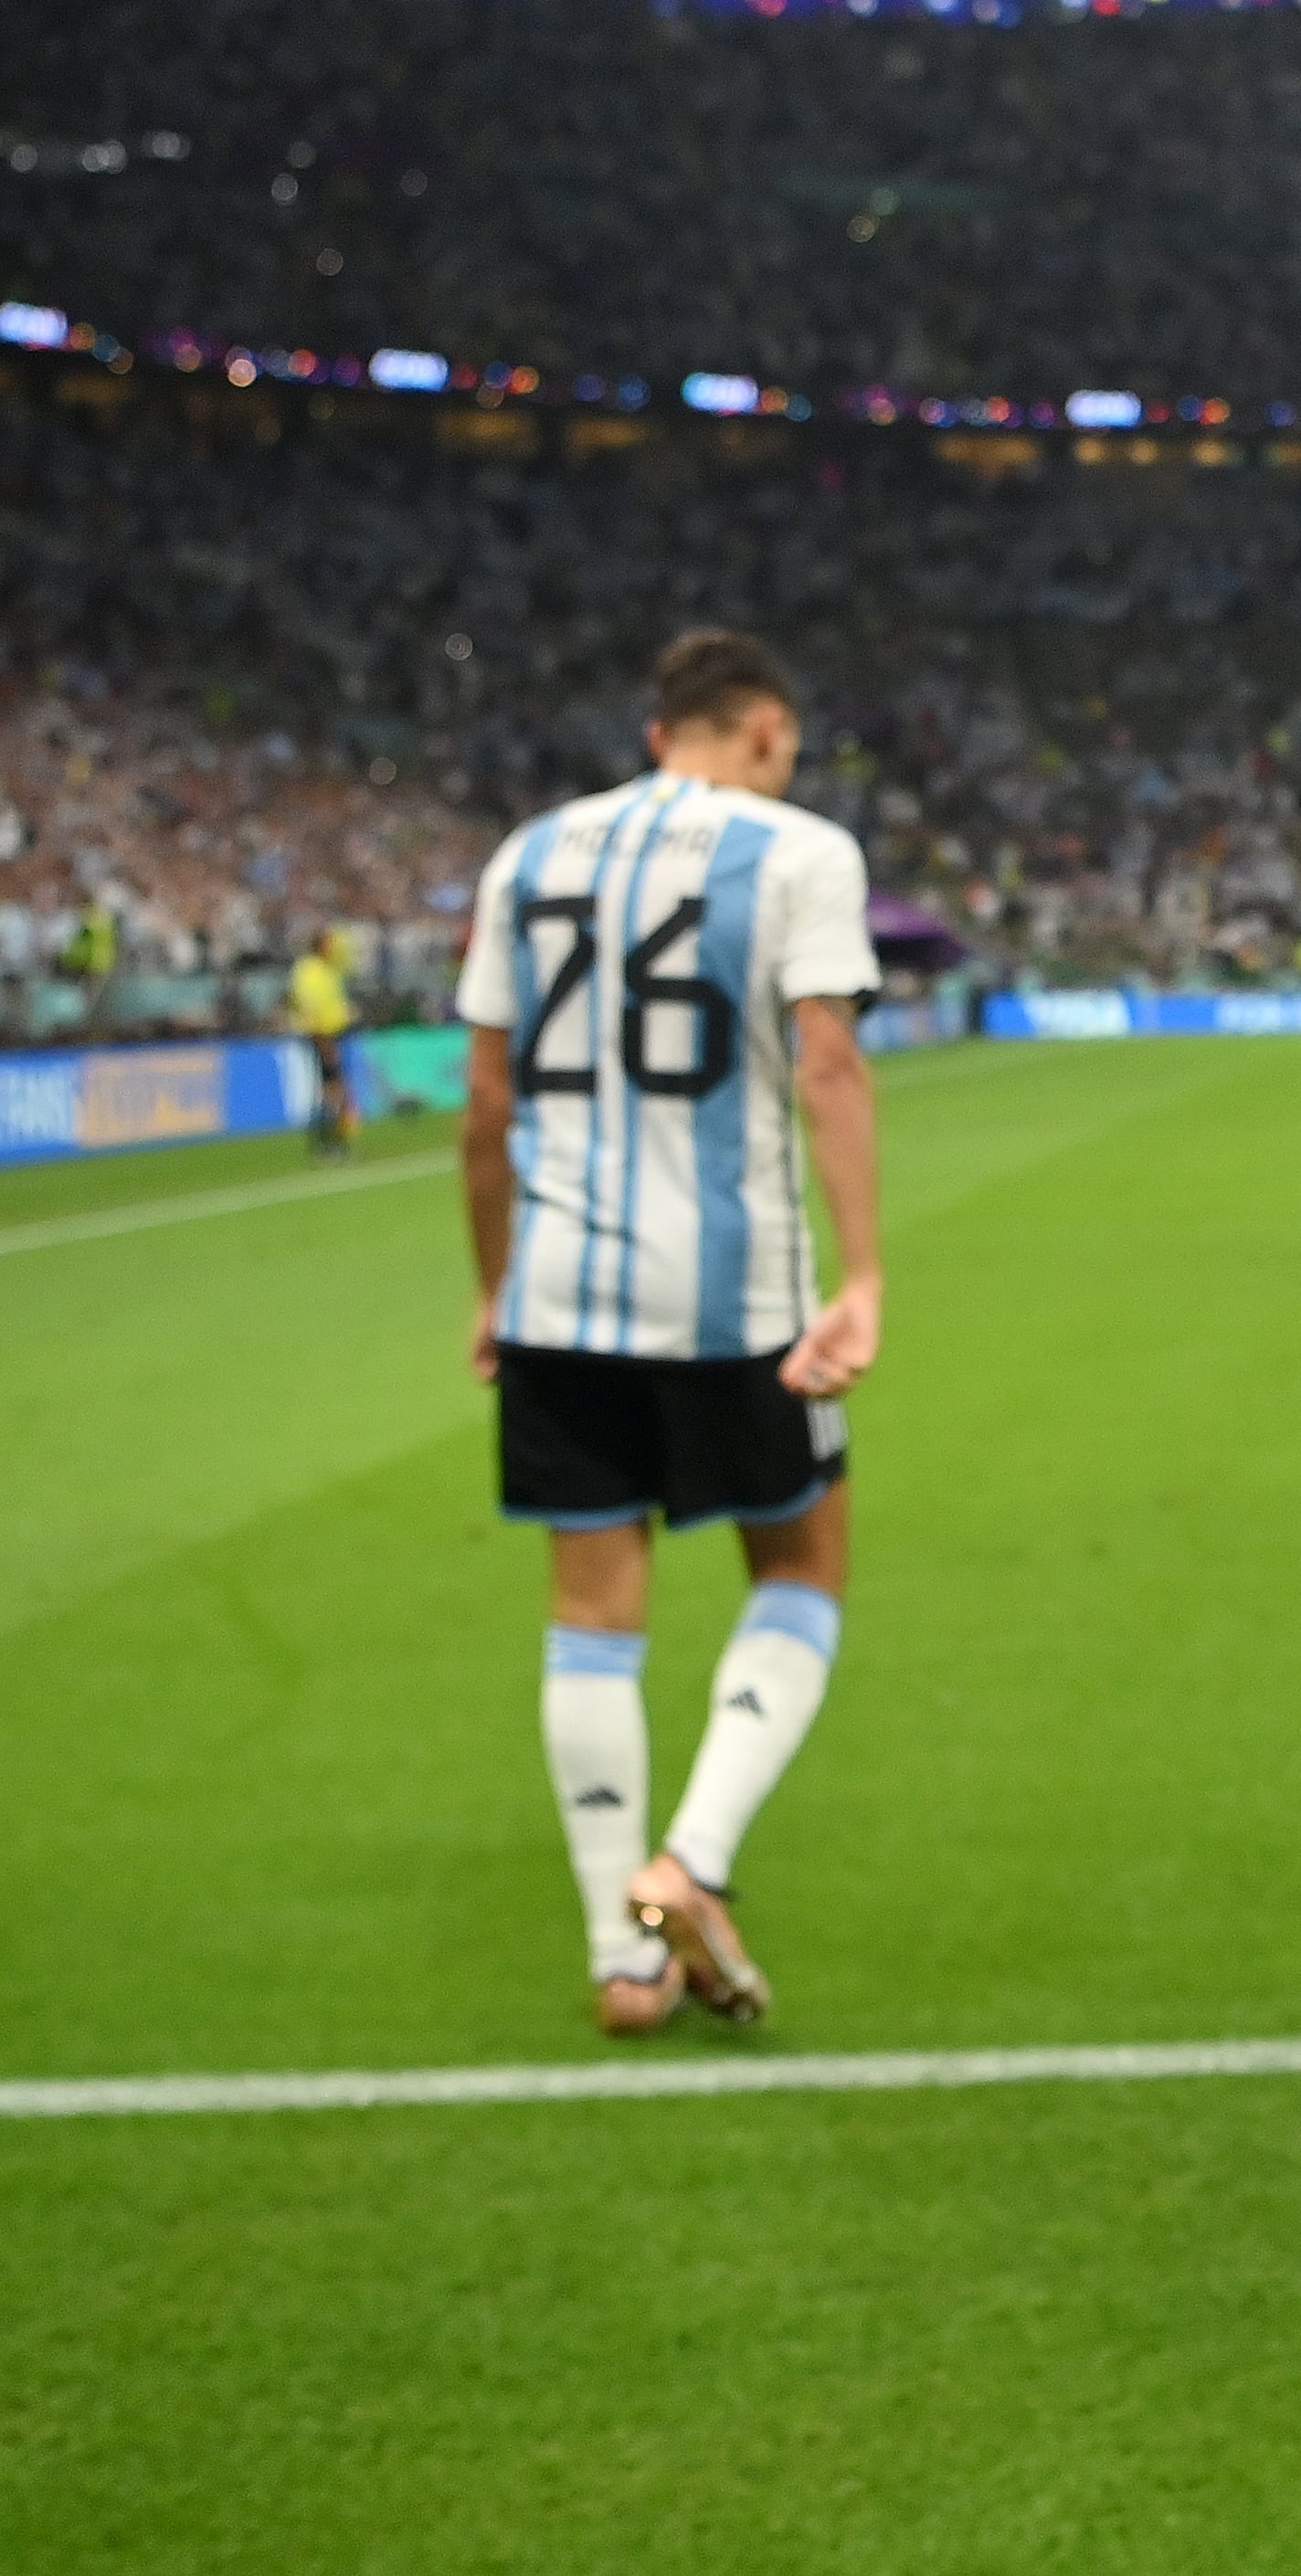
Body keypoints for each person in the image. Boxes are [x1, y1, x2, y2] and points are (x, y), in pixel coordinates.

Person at [456, 629, 886, 2037]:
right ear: (762, 730)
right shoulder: (798, 851)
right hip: (731, 1302)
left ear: (658, 733)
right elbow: (826, 1058)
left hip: (558, 1295)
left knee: (590, 1615)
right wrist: (864, 1271)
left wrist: (492, 1287)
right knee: (805, 1561)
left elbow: (484, 1102)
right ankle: (689, 1863)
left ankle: (618, 1957)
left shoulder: (525, 855)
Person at [287, 924, 359, 1159]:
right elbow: (311, 1009)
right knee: (331, 1089)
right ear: (320, 945)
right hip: (322, 1036)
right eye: (329, 943)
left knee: (334, 1088)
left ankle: (333, 1140)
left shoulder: (326, 968)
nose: (334, 948)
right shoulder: (310, 971)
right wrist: (323, 1041)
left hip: (333, 1033)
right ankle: (326, 1142)